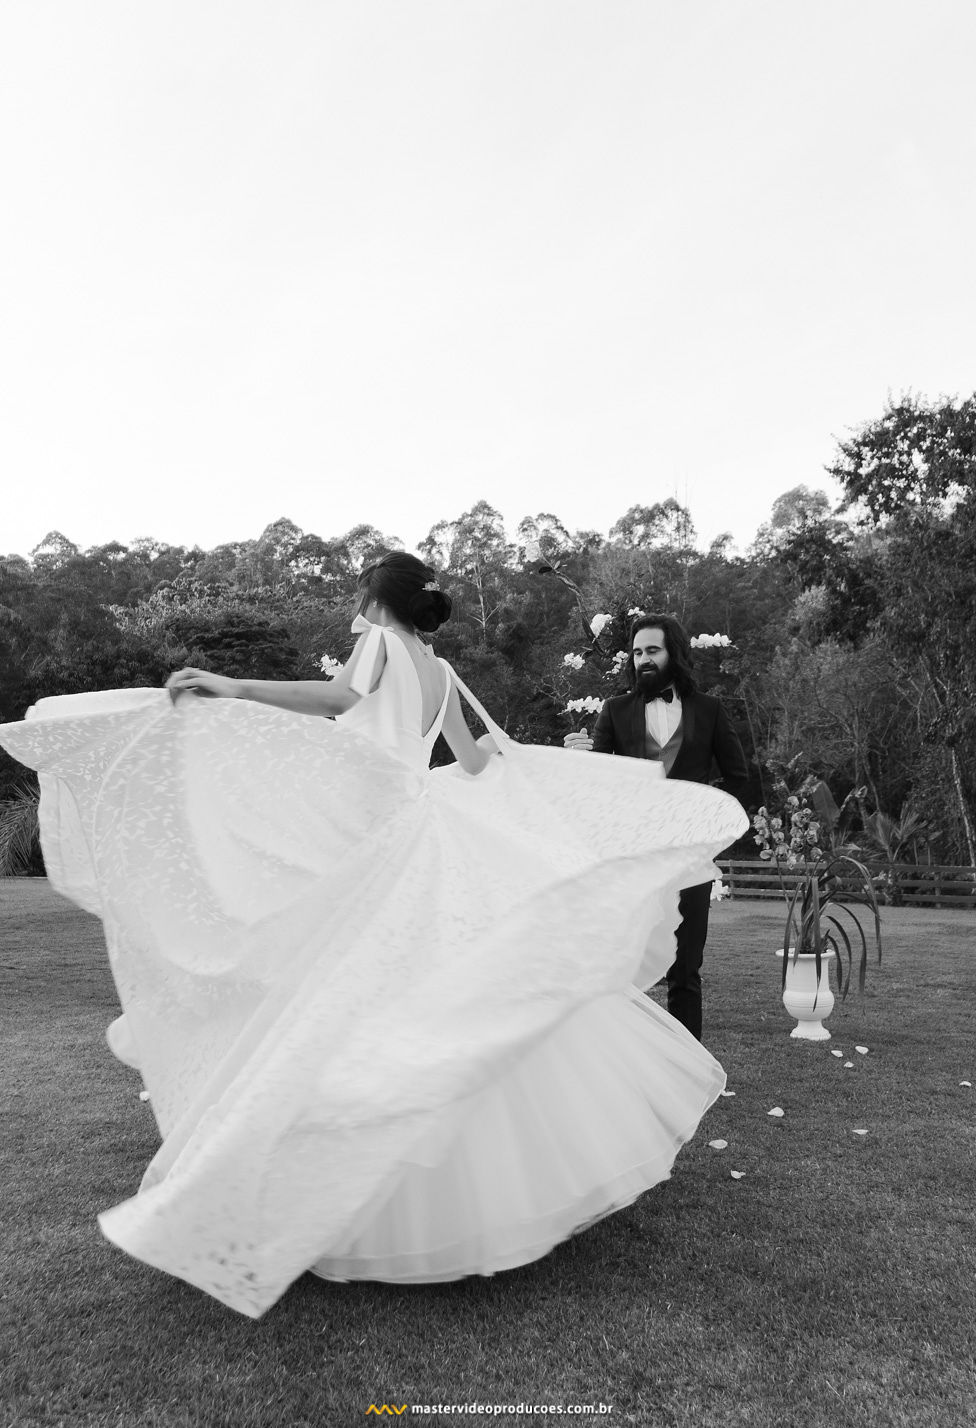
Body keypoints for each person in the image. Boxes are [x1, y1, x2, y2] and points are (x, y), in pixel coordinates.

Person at [0, 555, 747, 1319]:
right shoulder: (442, 667)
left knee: (346, 991)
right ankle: (466, 1191)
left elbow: (335, 700)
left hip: (380, 837)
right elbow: (478, 758)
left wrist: (229, 688)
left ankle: (335, 1186)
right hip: (419, 825)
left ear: (375, 597)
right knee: (429, 996)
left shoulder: (383, 642)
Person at [564, 613, 749, 1040]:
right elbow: (597, 784)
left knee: (686, 969)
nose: (643, 659)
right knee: (624, 966)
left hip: (690, 862)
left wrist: (709, 832)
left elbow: (739, 778)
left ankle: (689, 1070)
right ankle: (627, 1068)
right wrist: (576, 756)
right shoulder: (615, 710)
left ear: (674, 654)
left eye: (652, 650)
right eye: (637, 652)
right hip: (632, 862)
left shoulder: (710, 711)